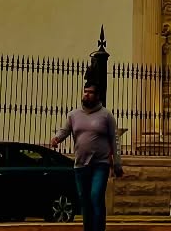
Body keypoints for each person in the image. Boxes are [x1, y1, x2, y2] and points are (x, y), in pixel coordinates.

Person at [49, 81, 123, 231]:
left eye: (90, 92)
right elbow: (65, 130)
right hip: (81, 165)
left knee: (96, 196)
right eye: (85, 91)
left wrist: (117, 163)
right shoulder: (73, 115)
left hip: (100, 164)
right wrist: (56, 138)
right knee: (85, 201)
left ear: (97, 96)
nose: (86, 94)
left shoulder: (106, 115)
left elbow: (115, 140)